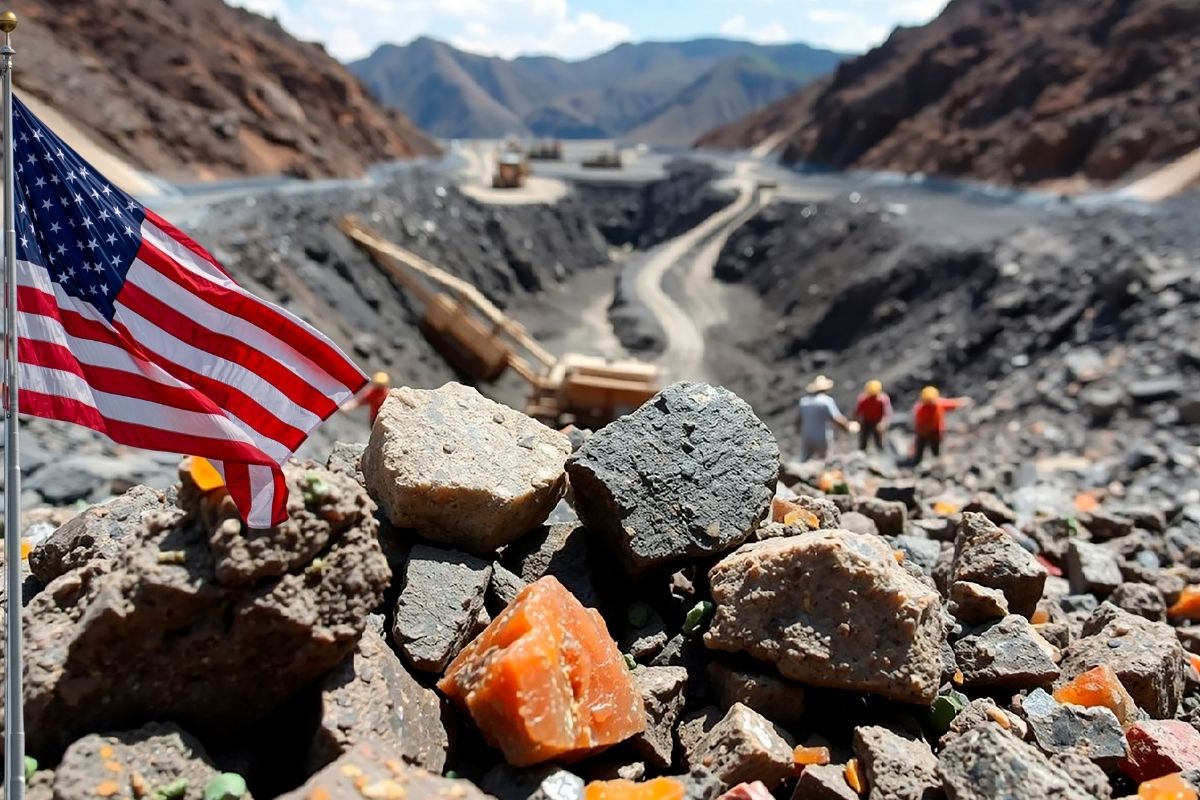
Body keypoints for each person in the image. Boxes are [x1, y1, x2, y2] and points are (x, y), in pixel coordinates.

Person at [794, 374, 857, 461]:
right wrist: (846, 427)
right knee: (825, 461)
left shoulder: (804, 402)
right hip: (822, 437)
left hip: (807, 436)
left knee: (805, 460)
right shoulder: (826, 401)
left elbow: (798, 420)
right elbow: (836, 418)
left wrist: (797, 431)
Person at [912, 385, 971, 464]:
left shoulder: (939, 404)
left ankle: (936, 463)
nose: (931, 403)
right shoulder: (920, 410)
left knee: (936, 450)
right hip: (923, 433)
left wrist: (961, 402)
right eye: (928, 401)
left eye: (932, 401)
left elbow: (951, 404)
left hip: (936, 432)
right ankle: (917, 462)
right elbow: (918, 423)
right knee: (920, 449)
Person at [854, 379, 892, 451]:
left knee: (880, 440)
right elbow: (857, 412)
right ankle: (862, 453)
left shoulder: (883, 400)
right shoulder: (863, 399)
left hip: (878, 422)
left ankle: (881, 452)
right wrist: (857, 422)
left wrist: (883, 423)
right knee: (863, 440)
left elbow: (887, 413)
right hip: (866, 421)